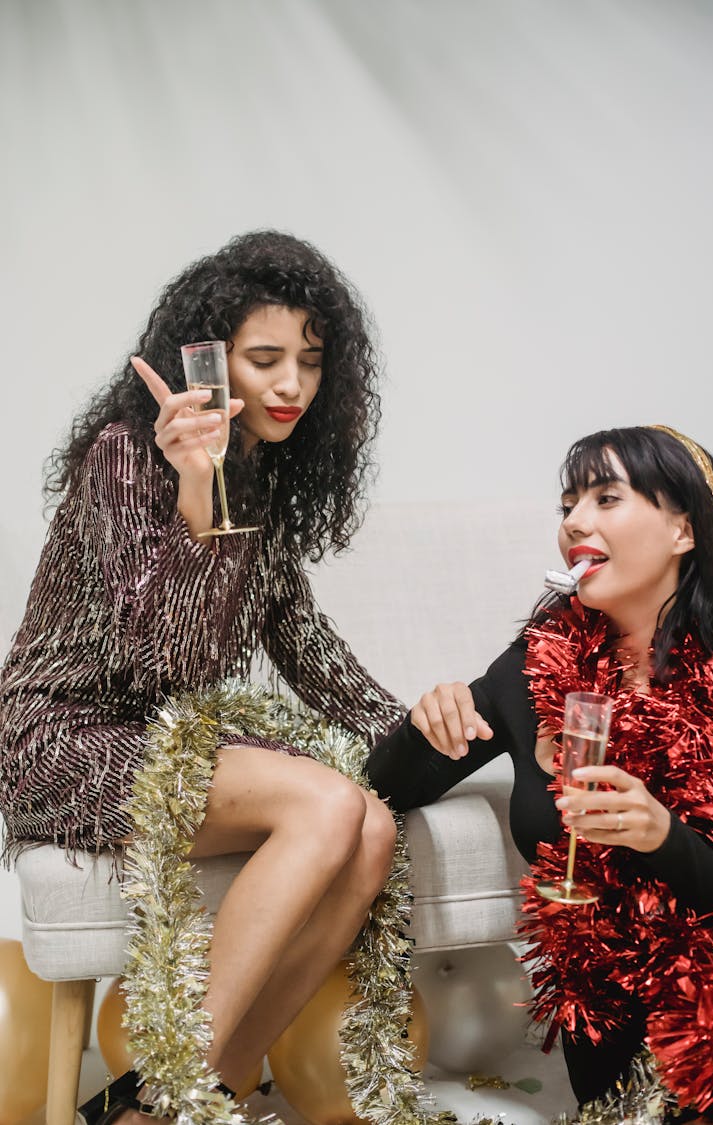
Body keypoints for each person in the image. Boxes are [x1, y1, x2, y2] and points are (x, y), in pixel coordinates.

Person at [0, 231, 405, 1123]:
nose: (293, 385)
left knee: (370, 826)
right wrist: (196, 491)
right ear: (210, 364)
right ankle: (173, 1091)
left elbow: (311, 650)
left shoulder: (259, 482)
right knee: (328, 805)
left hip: (167, 743)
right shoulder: (123, 455)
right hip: (62, 737)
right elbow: (165, 660)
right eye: (266, 360)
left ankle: (181, 1095)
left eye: (310, 360)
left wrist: (432, 727)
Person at [366, 426, 713, 1121]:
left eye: (606, 497)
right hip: (604, 1039)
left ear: (683, 530)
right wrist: (428, 718)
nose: (574, 520)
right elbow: (391, 786)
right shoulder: (533, 671)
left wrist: (665, 836)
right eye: (568, 504)